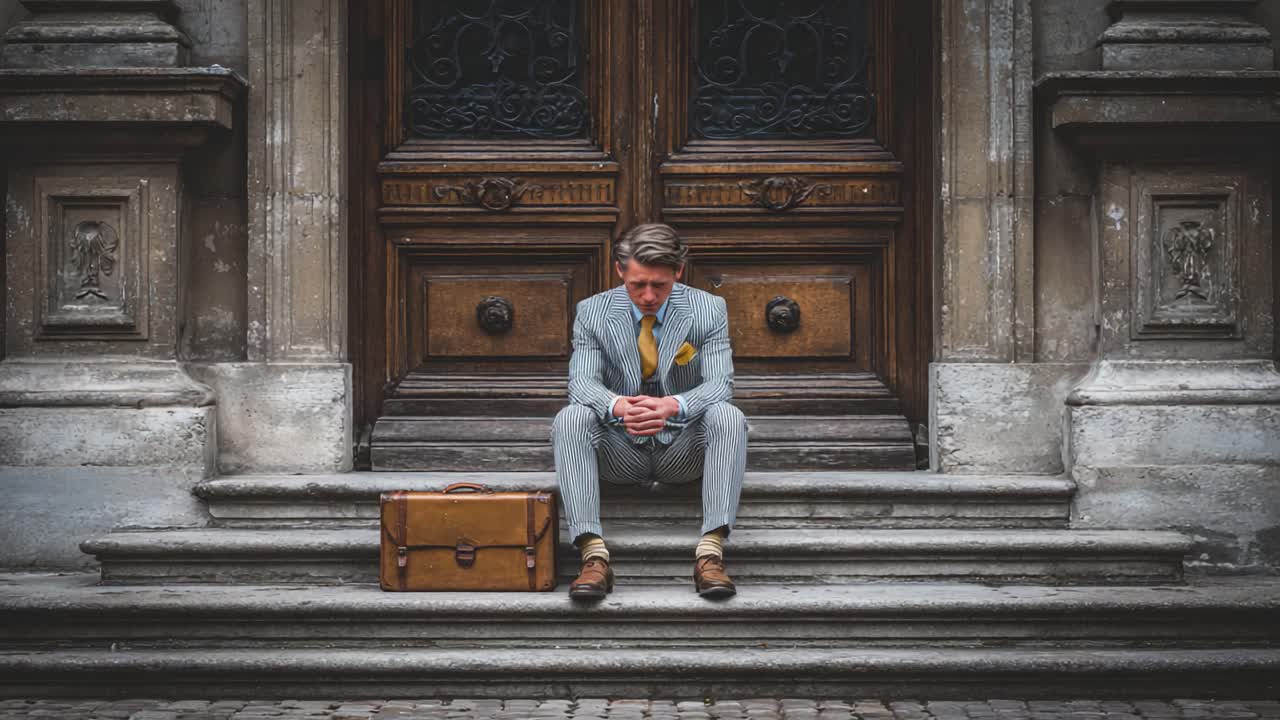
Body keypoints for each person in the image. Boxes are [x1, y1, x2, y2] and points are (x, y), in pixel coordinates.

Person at [552, 223, 748, 601]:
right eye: (637, 284)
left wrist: (675, 404)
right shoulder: (592, 312)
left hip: (682, 452)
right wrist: (619, 405)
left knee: (728, 416)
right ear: (619, 270)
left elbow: (719, 384)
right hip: (619, 452)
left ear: (678, 271)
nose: (648, 296)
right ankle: (593, 556)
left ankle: (710, 553)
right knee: (571, 417)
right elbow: (582, 384)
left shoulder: (709, 309)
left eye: (659, 285)